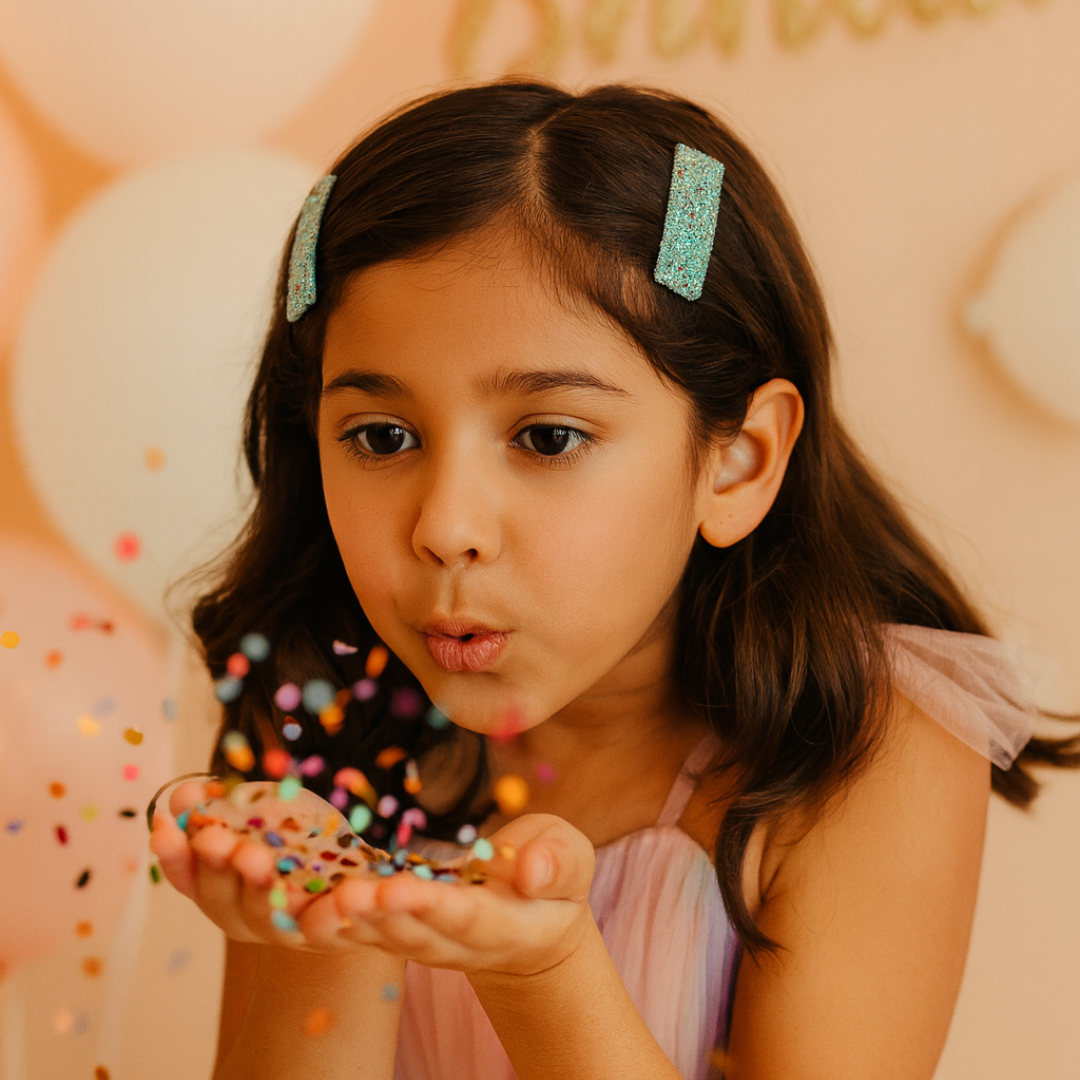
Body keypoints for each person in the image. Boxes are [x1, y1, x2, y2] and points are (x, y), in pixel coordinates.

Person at [149, 81, 1078, 1080]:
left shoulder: (864, 742)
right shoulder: (318, 699)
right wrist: (323, 937)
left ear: (739, 462)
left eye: (549, 437)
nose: (446, 529)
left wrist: (544, 973)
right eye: (382, 436)